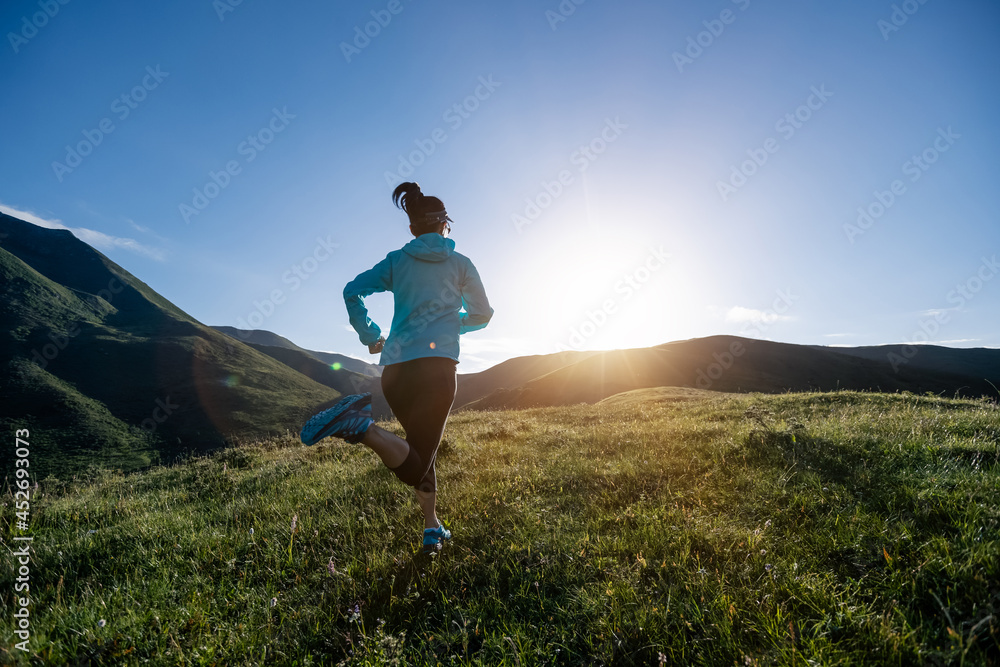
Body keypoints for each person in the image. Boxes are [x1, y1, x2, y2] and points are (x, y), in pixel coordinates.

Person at [300, 182, 493, 553]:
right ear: (445, 225)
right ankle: (362, 427)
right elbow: (482, 315)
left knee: (421, 450)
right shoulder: (461, 264)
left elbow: (351, 291)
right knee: (417, 462)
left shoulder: (397, 261)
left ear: (412, 228)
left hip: (395, 372)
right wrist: (453, 322)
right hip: (436, 371)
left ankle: (432, 527)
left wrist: (371, 335)